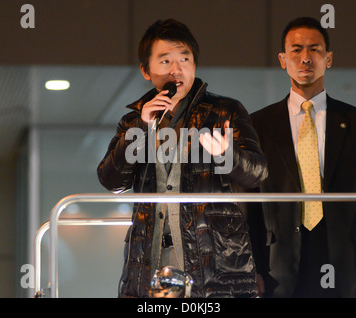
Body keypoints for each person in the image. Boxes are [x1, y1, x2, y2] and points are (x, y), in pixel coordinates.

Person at [97, 19, 268, 298]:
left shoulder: (225, 111)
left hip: (214, 261)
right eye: (165, 61)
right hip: (149, 261)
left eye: (184, 59)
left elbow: (257, 173)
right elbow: (110, 179)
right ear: (145, 70)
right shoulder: (133, 121)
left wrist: (226, 155)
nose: (177, 70)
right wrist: (141, 128)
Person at [248, 17, 356, 298]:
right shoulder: (258, 123)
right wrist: (253, 269)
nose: (305, 58)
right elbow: (249, 204)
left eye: (314, 49)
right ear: (282, 59)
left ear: (329, 58)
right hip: (278, 261)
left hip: (345, 259)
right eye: (296, 50)